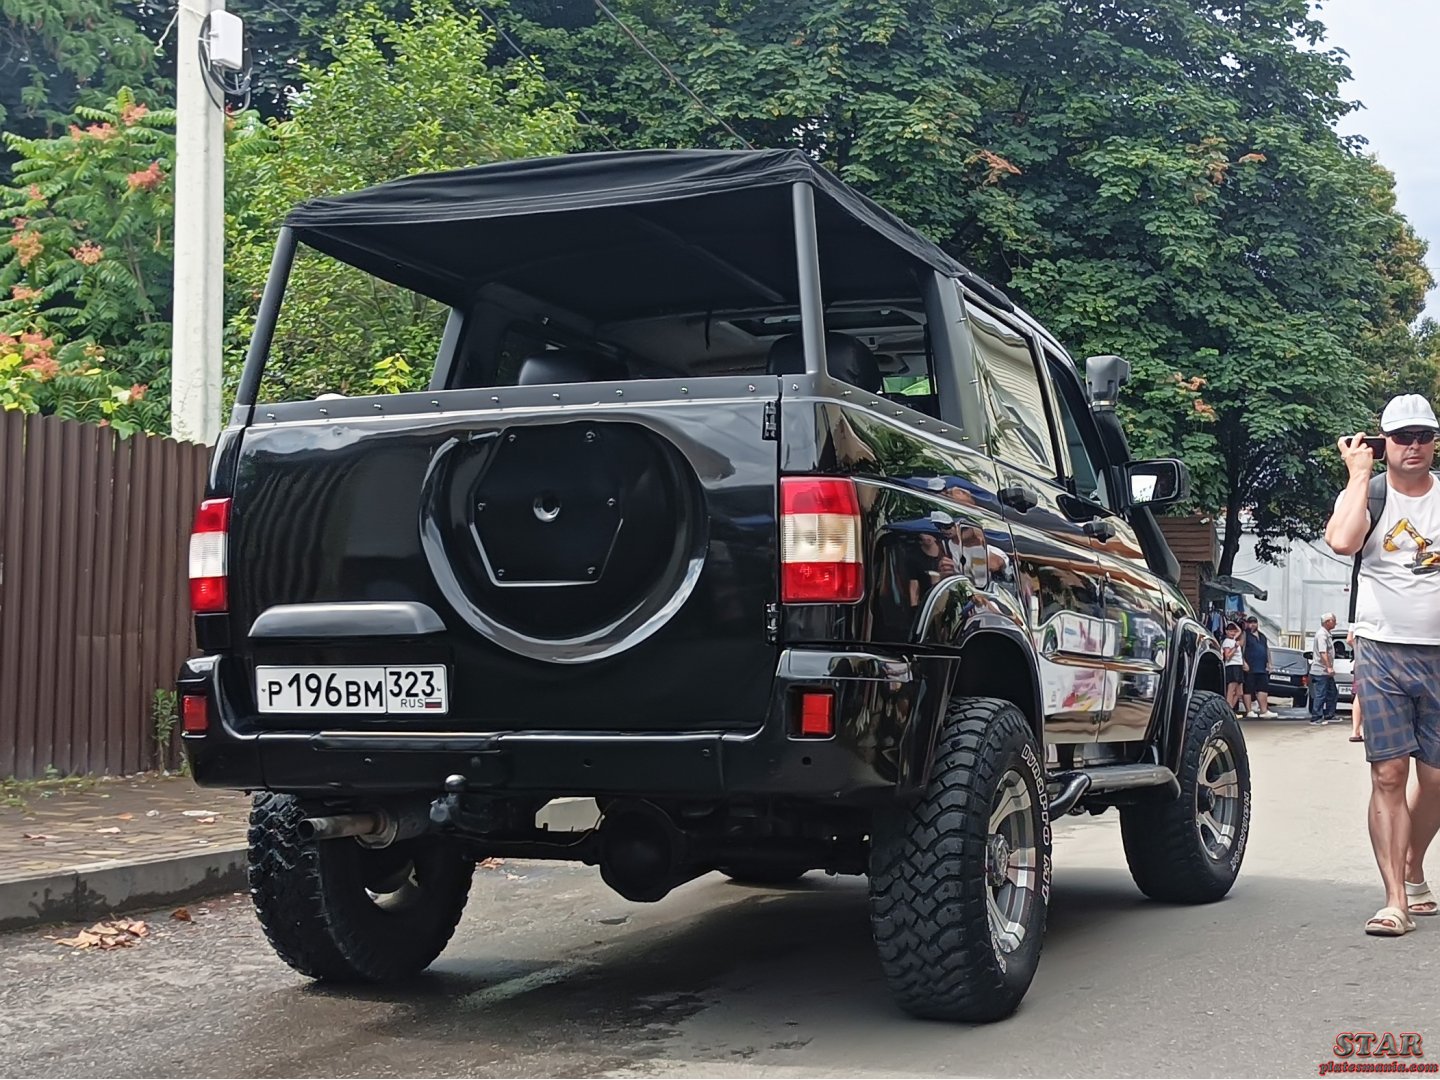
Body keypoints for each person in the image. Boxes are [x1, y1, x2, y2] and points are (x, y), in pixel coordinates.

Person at [1325, 393, 1440, 937]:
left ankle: (1414, 865)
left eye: (1423, 436)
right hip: (1381, 651)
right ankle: (1394, 898)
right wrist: (1355, 476)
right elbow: (1342, 540)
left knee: (1436, 777)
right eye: (1401, 437)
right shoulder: (1368, 494)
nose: (1413, 446)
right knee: (1389, 773)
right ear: (1382, 442)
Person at [1240, 615, 1277, 719]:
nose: (1252, 625)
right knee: (1248, 689)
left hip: (1262, 667)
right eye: (1250, 623)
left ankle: (1264, 710)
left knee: (1263, 689)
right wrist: (1243, 662)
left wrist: (1269, 663)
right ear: (1247, 624)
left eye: (1254, 622)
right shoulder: (1245, 635)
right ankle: (1249, 711)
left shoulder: (1262, 636)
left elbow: (1267, 650)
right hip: (1250, 666)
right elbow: (1240, 649)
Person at [1309, 612, 1339, 726]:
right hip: (1320, 671)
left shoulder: (1327, 634)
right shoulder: (1322, 635)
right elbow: (1323, 652)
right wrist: (1329, 667)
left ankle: (1329, 714)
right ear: (1327, 622)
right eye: (1334, 621)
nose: (1335, 623)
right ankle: (1316, 717)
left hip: (1325, 671)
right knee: (1320, 694)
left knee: (1332, 693)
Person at [1221, 621, 1245, 715]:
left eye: (1234, 631)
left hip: (1238, 665)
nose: (1233, 633)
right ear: (1226, 632)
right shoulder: (1227, 642)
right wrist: (1235, 648)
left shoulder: (1234, 639)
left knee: (1240, 692)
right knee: (1231, 690)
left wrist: (1233, 623)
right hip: (1232, 666)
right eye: (1231, 631)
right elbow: (1227, 656)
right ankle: (1228, 710)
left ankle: (1230, 709)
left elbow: (1240, 631)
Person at [1349, 628, 1365, 744]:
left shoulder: (1356, 619)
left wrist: (1358, 649)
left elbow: (1349, 639)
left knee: (1360, 693)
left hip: (1360, 660)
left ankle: (1355, 731)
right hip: (1373, 658)